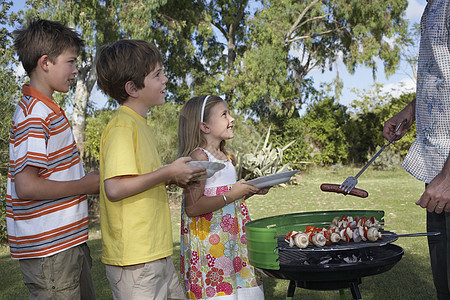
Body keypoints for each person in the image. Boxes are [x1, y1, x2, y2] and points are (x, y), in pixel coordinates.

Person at [96, 39, 206, 300]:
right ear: (132, 88)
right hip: (135, 260)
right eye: (157, 75)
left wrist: (174, 177)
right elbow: (114, 187)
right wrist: (167, 173)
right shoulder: (123, 127)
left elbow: (139, 180)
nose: (165, 79)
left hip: (154, 253)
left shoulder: (140, 125)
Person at [6, 19, 99, 299]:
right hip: (51, 251)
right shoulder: (35, 115)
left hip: (65, 245)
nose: (75, 70)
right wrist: (85, 185)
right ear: (45, 62)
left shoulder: (47, 110)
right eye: (70, 62)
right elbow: (27, 186)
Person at [383, 1, 450, 298]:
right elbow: (442, 76)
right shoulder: (433, 5)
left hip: (447, 174)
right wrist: (412, 110)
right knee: (444, 282)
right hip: (437, 167)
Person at [178, 95, 267, 299]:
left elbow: (227, 199)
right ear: (205, 127)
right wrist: (231, 194)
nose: (232, 118)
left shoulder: (226, 157)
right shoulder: (199, 157)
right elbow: (193, 208)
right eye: (224, 114)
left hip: (235, 242)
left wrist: (248, 190)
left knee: (243, 292)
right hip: (213, 246)